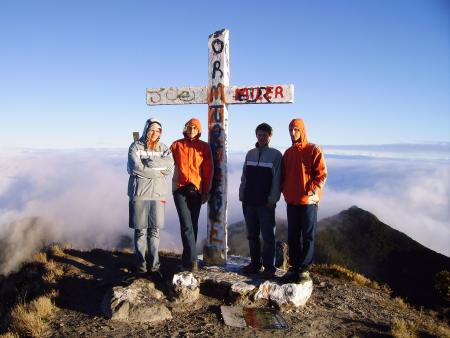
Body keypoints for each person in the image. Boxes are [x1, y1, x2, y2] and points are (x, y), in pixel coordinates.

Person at [281, 118, 327, 283]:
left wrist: (311, 191)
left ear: (302, 130)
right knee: (293, 236)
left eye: (296, 130)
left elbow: (322, 174)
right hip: (292, 201)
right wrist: (285, 191)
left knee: (308, 236)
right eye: (291, 130)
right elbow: (283, 176)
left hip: (308, 202)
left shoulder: (313, 149)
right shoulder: (288, 153)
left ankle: (304, 269)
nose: (293, 133)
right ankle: (294, 267)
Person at [127, 118, 174, 278]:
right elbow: (135, 168)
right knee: (140, 231)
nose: (154, 133)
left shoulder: (164, 148)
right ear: (146, 129)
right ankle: (141, 267)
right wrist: (157, 171)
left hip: (158, 194)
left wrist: (151, 165)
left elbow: (169, 168)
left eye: (158, 130)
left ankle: (154, 267)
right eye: (152, 129)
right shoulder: (135, 146)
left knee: (154, 231)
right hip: (139, 192)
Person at [239, 122, 282, 278]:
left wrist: (272, 199)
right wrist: (241, 194)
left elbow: (277, 179)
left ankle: (269, 267)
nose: (262, 137)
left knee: (268, 236)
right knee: (252, 235)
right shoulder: (250, 153)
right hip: (249, 201)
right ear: (256, 135)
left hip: (266, 203)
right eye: (259, 134)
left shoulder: (276, 155)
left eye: (265, 135)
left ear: (270, 136)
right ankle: (255, 264)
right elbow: (244, 176)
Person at [171, 118, 213, 272]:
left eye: (195, 128)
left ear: (199, 130)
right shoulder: (176, 145)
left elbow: (208, 171)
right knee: (186, 225)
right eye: (189, 127)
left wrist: (206, 191)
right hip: (179, 189)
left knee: (192, 226)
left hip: (196, 191)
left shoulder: (204, 147)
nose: (191, 130)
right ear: (185, 128)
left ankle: (186, 259)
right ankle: (193, 261)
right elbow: (165, 162)